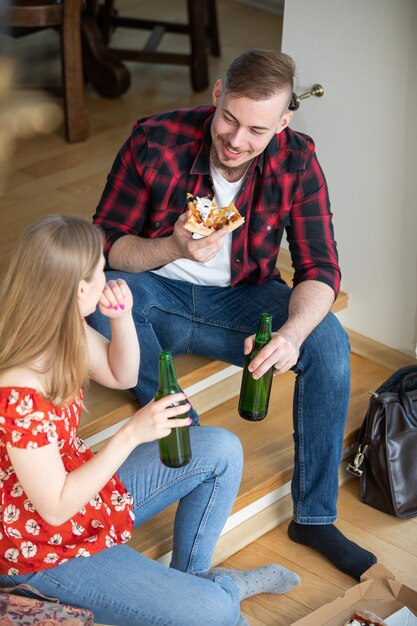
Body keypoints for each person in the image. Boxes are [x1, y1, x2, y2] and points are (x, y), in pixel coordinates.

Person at [89, 48, 377, 581]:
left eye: (258, 130)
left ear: (284, 122)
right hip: (154, 293)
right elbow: (106, 247)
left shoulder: (297, 159)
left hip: (243, 299)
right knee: (101, 305)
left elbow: (320, 268)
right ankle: (195, 449)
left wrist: (291, 334)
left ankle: (313, 517)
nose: (237, 141)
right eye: (229, 119)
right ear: (218, 94)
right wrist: (172, 247)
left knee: (329, 343)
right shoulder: (155, 139)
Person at [0, 215, 301, 626]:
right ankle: (219, 592)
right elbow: (54, 508)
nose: (106, 275)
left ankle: (193, 580)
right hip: (39, 548)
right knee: (216, 613)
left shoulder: (62, 325)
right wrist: (130, 434)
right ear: (78, 289)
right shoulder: (18, 393)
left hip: (83, 493)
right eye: (99, 270)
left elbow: (121, 374)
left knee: (221, 450)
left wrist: (122, 317)